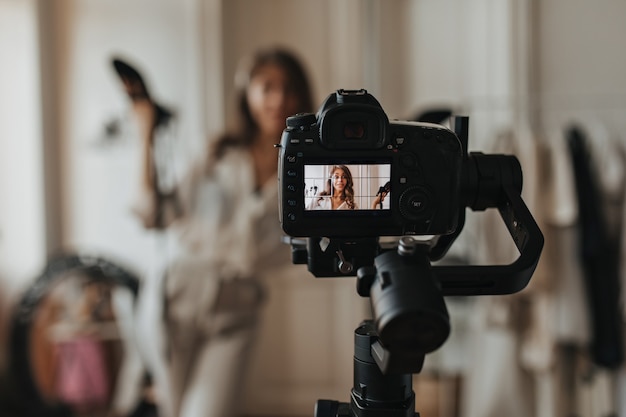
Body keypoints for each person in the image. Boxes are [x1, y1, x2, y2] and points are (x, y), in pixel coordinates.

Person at [117, 47, 315, 417]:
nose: (278, 99)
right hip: (177, 297)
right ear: (247, 94)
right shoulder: (216, 153)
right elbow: (154, 215)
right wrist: (145, 131)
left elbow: (313, 241)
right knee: (172, 409)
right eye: (266, 87)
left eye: (289, 89)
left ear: (302, 96)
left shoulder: (309, 171)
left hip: (238, 310)